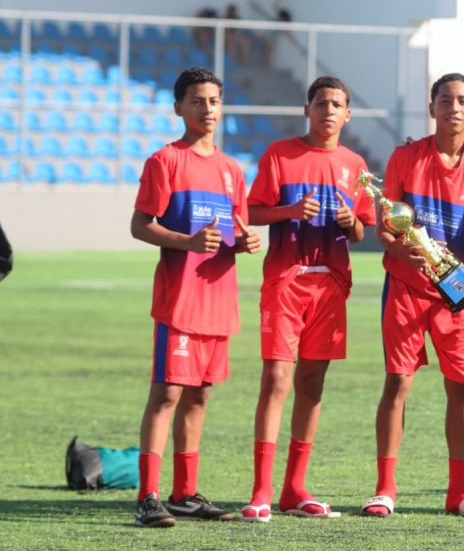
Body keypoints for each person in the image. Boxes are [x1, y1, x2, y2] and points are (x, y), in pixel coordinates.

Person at [360, 73, 464, 518]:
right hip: (405, 288)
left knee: (461, 389)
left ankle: (458, 491)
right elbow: (384, 227)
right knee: (398, 383)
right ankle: (385, 489)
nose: (453, 108)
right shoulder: (406, 157)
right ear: (432, 106)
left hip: (456, 294)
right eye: (445, 99)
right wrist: (405, 250)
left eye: (462, 101)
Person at [241, 75, 376, 522]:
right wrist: (289, 211)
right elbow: (252, 211)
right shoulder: (280, 155)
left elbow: (361, 229)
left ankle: (294, 489)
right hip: (286, 280)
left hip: (331, 286)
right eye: (321, 103)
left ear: (348, 113)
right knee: (277, 378)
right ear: (307, 110)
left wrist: (349, 222)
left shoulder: (355, 164)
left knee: (312, 383)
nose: (329, 111)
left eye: (337, 104)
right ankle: (261, 491)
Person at [130, 66, 261, 528]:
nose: (207, 109)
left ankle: (184, 493)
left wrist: (243, 243)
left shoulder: (231, 170)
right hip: (180, 299)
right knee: (167, 393)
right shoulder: (164, 161)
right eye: (197, 101)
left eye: (214, 100)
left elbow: (234, 230)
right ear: (178, 108)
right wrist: (186, 242)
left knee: (200, 397)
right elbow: (140, 224)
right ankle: (148, 496)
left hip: (218, 300)